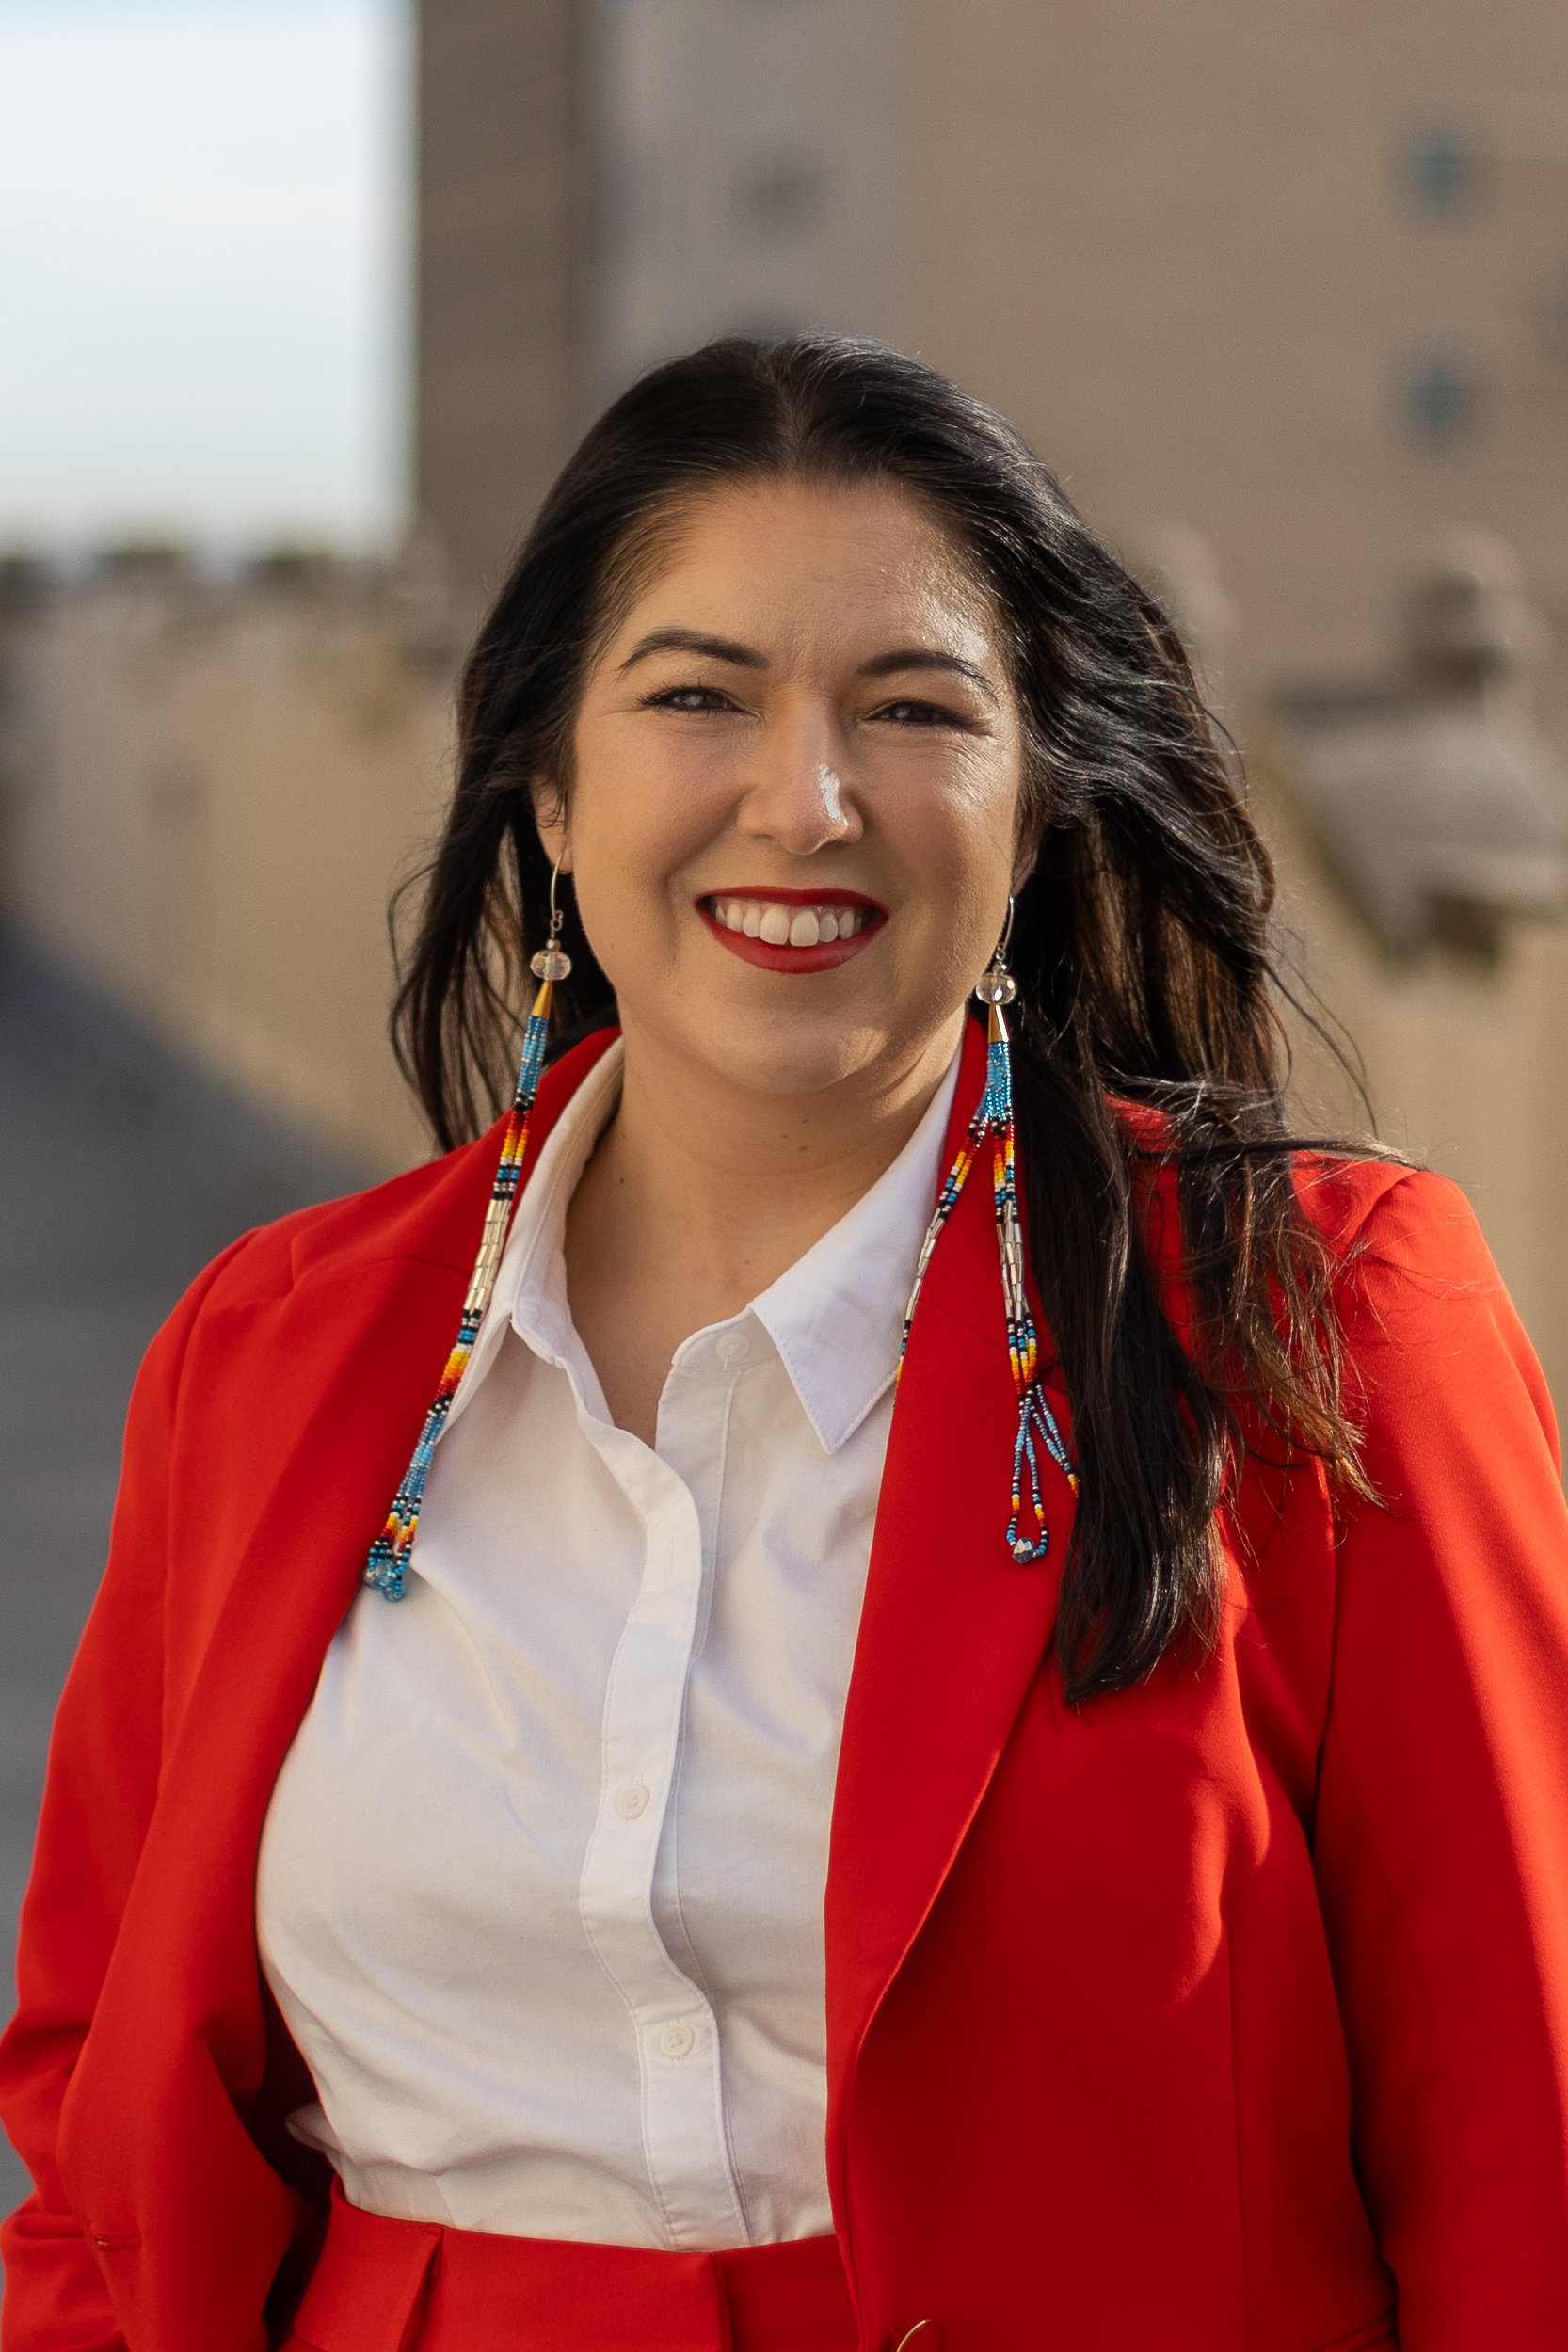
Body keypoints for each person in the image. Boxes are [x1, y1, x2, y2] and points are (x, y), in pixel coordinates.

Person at [4, 335, 1567, 2352]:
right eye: (695, 696)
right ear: (549, 786)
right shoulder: (267, 1351)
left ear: (1027, 807)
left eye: (912, 706)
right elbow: (97, 2134)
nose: (801, 798)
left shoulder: (1315, 1320)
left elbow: (1519, 2154)